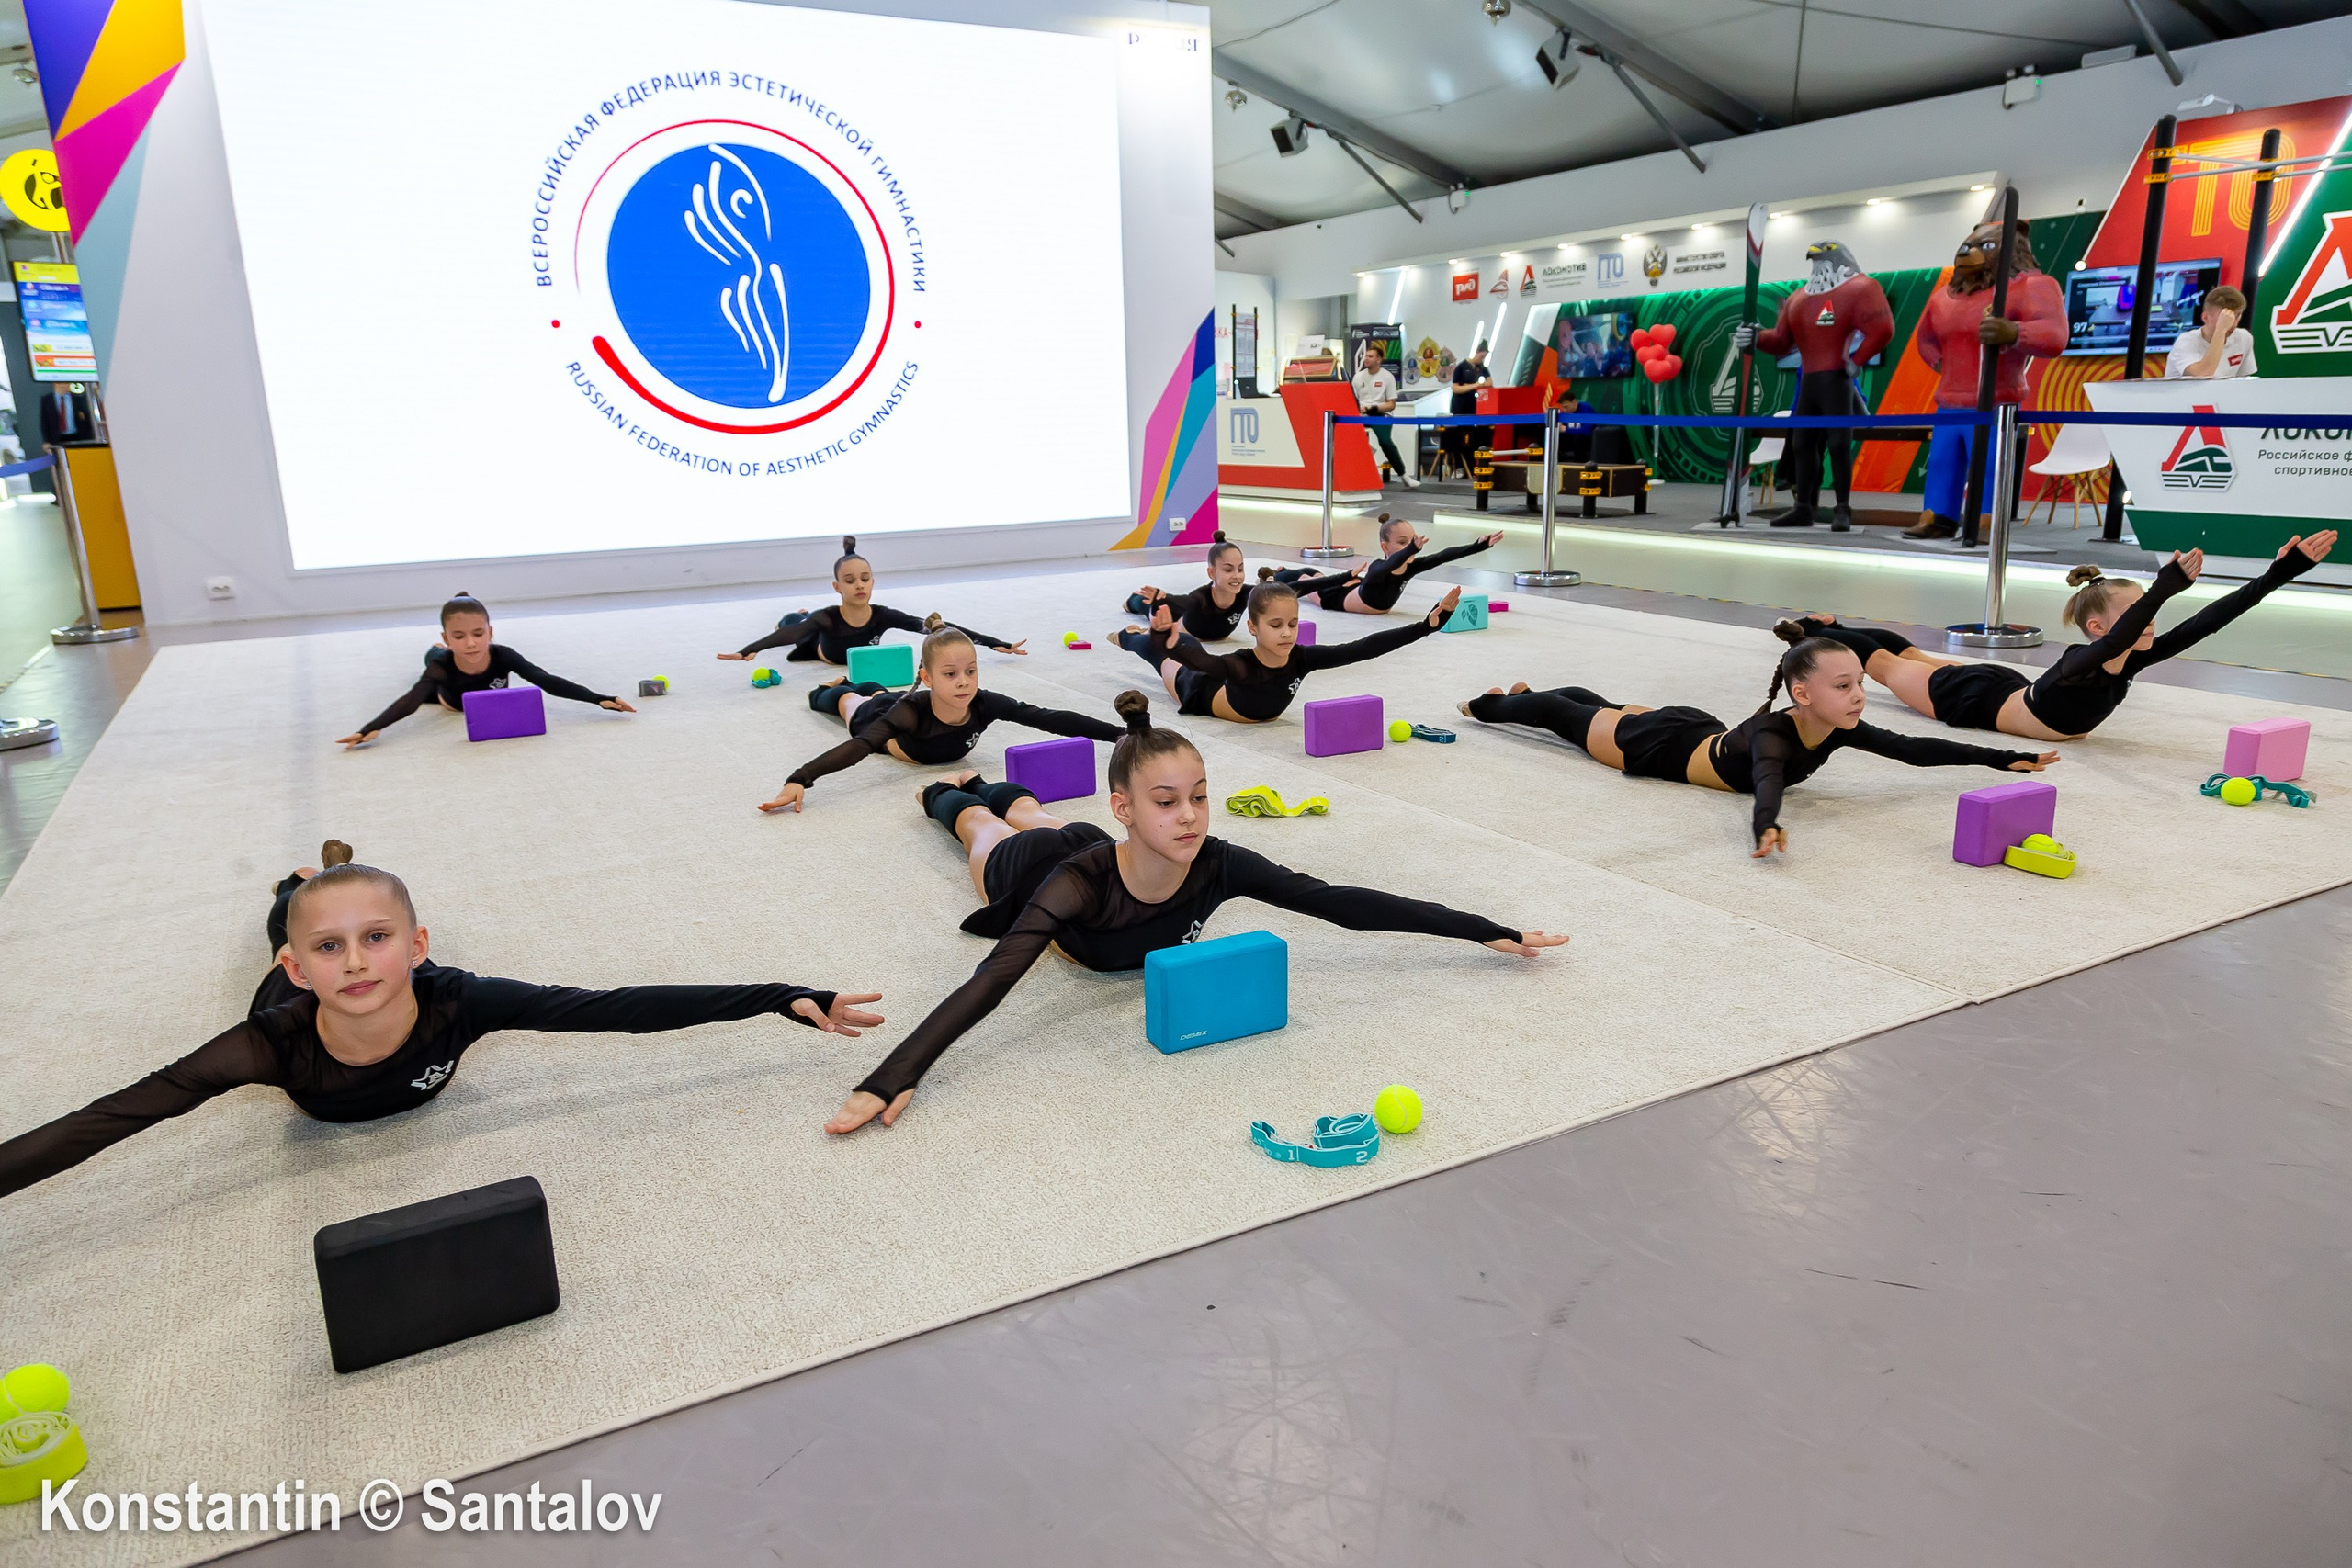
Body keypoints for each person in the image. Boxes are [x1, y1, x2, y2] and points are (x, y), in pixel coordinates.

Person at [823, 694, 1567, 1132]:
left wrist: (1483, 927)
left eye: (1199, 796)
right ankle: (942, 792)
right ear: (1126, 806)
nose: (1190, 815)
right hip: (1040, 866)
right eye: (1167, 801)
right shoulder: (1076, 889)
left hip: (1098, 840)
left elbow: (1336, 901)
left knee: (1032, 810)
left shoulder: (1218, 860)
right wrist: (893, 1074)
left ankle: (989, 787)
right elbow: (993, 977)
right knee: (986, 834)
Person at [0, 853, 885, 1199]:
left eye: (378, 939)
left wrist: (778, 994)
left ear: (418, 946)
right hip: (289, 1008)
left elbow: (615, 1008)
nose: (356, 963)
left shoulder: (462, 999)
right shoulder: (270, 1040)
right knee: (291, 906)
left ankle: (320, 880)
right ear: (302, 969)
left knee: (329, 899)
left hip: (408, 987)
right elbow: (115, 1114)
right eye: (330, 949)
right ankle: (292, 890)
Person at [1459, 629, 2055, 859]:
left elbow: (1911, 748)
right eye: (1843, 686)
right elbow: (1768, 779)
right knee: (1563, 717)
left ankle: (1529, 692)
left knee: (1594, 710)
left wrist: (2003, 757)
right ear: (1802, 693)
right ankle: (1489, 704)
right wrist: (1764, 826)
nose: (1858, 696)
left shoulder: (1838, 725)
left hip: (1698, 728)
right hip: (1661, 747)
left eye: (1860, 684)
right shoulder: (1775, 732)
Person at [1797, 530, 2336, 741]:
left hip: (2005, 686)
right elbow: (2115, 642)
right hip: (1973, 699)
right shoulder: (2086, 660)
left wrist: (2277, 574)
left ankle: (1832, 626)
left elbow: (2207, 622)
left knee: (1915, 654)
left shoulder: (2133, 656)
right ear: (2098, 627)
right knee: (1887, 665)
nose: (2150, 623)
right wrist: (2162, 589)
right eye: (2138, 614)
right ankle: (1825, 631)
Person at [757, 622, 1125, 813]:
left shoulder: (984, 703)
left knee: (880, 692)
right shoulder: (910, 714)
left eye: (971, 671)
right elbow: (861, 745)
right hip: (878, 718)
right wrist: (799, 779)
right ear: (928, 676)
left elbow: (1047, 717)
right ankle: (835, 687)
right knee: (850, 702)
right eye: (951, 674)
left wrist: (1120, 734)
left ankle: (866, 687)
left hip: (903, 699)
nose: (964, 682)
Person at [1903, 219, 2066, 539]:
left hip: (1998, 402)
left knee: (1993, 465)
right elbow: (1925, 338)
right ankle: (1937, 516)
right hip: (1950, 401)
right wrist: (1940, 362)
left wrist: (2015, 332)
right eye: (1966, 246)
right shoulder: (1943, 297)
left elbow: (2054, 335)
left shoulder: (2033, 287)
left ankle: (1987, 520)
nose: (1969, 253)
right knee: (1942, 462)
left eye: (1986, 246)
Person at [1116, 579, 1462, 724]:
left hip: (1213, 675)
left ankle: (1148, 633)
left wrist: (1426, 626)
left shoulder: (1302, 658)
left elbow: (1363, 648)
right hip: (1199, 689)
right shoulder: (1241, 665)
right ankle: (1129, 636)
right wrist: (1166, 642)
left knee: (1184, 645)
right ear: (1253, 627)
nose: (1286, 633)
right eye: (1276, 625)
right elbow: (1201, 662)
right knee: (1162, 653)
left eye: (1293, 624)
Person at [1735, 241, 1894, 533]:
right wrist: (1755, 337)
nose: (1815, 256)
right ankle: (1803, 508)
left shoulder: (1861, 288)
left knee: (1839, 444)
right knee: (1802, 444)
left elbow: (1883, 329)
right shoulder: (1799, 298)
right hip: (1810, 381)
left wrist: (1856, 361)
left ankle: (1843, 509)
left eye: (1825, 250)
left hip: (1837, 379)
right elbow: (1781, 340)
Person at [339, 592, 633, 748]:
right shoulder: (441, 667)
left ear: (490, 632)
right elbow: (411, 700)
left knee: (476, 652)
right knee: (431, 658)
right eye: (458, 636)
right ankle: (436, 645)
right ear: (447, 637)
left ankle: (462, 606)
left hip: (469, 668)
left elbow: (544, 679)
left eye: (478, 634)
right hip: (445, 690)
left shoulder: (503, 655)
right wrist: (369, 728)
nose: (470, 643)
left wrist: (599, 698)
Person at [718, 536, 1024, 666]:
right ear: (837, 586)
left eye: (865, 579)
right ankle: (797, 612)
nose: (859, 586)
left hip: (848, 652)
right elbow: (789, 635)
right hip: (816, 645)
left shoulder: (882, 615)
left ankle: (801, 614)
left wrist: (993, 642)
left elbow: (935, 628)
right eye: (850, 581)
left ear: (873, 582)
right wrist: (749, 650)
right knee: (796, 623)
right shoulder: (828, 617)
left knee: (804, 621)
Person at [1119, 532, 1346, 641]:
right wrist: (1163, 597)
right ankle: (1134, 601)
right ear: (1212, 573)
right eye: (1228, 570)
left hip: (1195, 616)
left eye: (1240, 569)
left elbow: (1292, 589)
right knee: (1153, 610)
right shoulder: (1200, 598)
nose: (1236, 576)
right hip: (1182, 617)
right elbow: (1182, 601)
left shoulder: (1246, 593)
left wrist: (1343, 577)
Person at [1263, 514, 1503, 615]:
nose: (1411, 546)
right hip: (1334, 598)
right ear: (1385, 547)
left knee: (1314, 574)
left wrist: (1478, 545)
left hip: (1354, 587)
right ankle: (1275, 577)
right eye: (1402, 542)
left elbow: (1442, 556)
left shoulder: (1411, 566)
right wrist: (1412, 549)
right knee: (1305, 581)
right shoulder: (1378, 567)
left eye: (1413, 540)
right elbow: (1392, 564)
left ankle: (1283, 571)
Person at [1351, 344, 1419, 489]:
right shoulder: (1358, 377)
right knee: (1344, 430)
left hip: (1381, 413)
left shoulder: (1387, 377)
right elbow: (1353, 400)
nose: (1366, 359)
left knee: (1385, 442)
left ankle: (1404, 475)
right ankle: (1367, 448)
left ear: (1378, 360)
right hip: (1361, 413)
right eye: (1366, 356)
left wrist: (1374, 408)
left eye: (1370, 356)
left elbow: (1391, 405)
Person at [2165, 285, 2253, 379]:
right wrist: (2221, 330)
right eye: (2224, 317)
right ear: (2205, 318)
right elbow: (2203, 375)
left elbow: (2243, 381)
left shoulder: (2244, 337)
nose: (2233, 323)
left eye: (2237, 315)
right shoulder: (2185, 341)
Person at [1443, 342, 1493, 476]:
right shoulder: (1461, 368)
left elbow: (1489, 383)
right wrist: (1473, 386)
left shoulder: (1482, 368)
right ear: (1476, 353)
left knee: (1473, 439)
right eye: (1481, 356)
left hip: (1475, 409)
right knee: (1462, 438)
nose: (1482, 360)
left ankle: (1472, 467)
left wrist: (1472, 385)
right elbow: (1456, 388)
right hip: (1460, 408)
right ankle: (1460, 467)